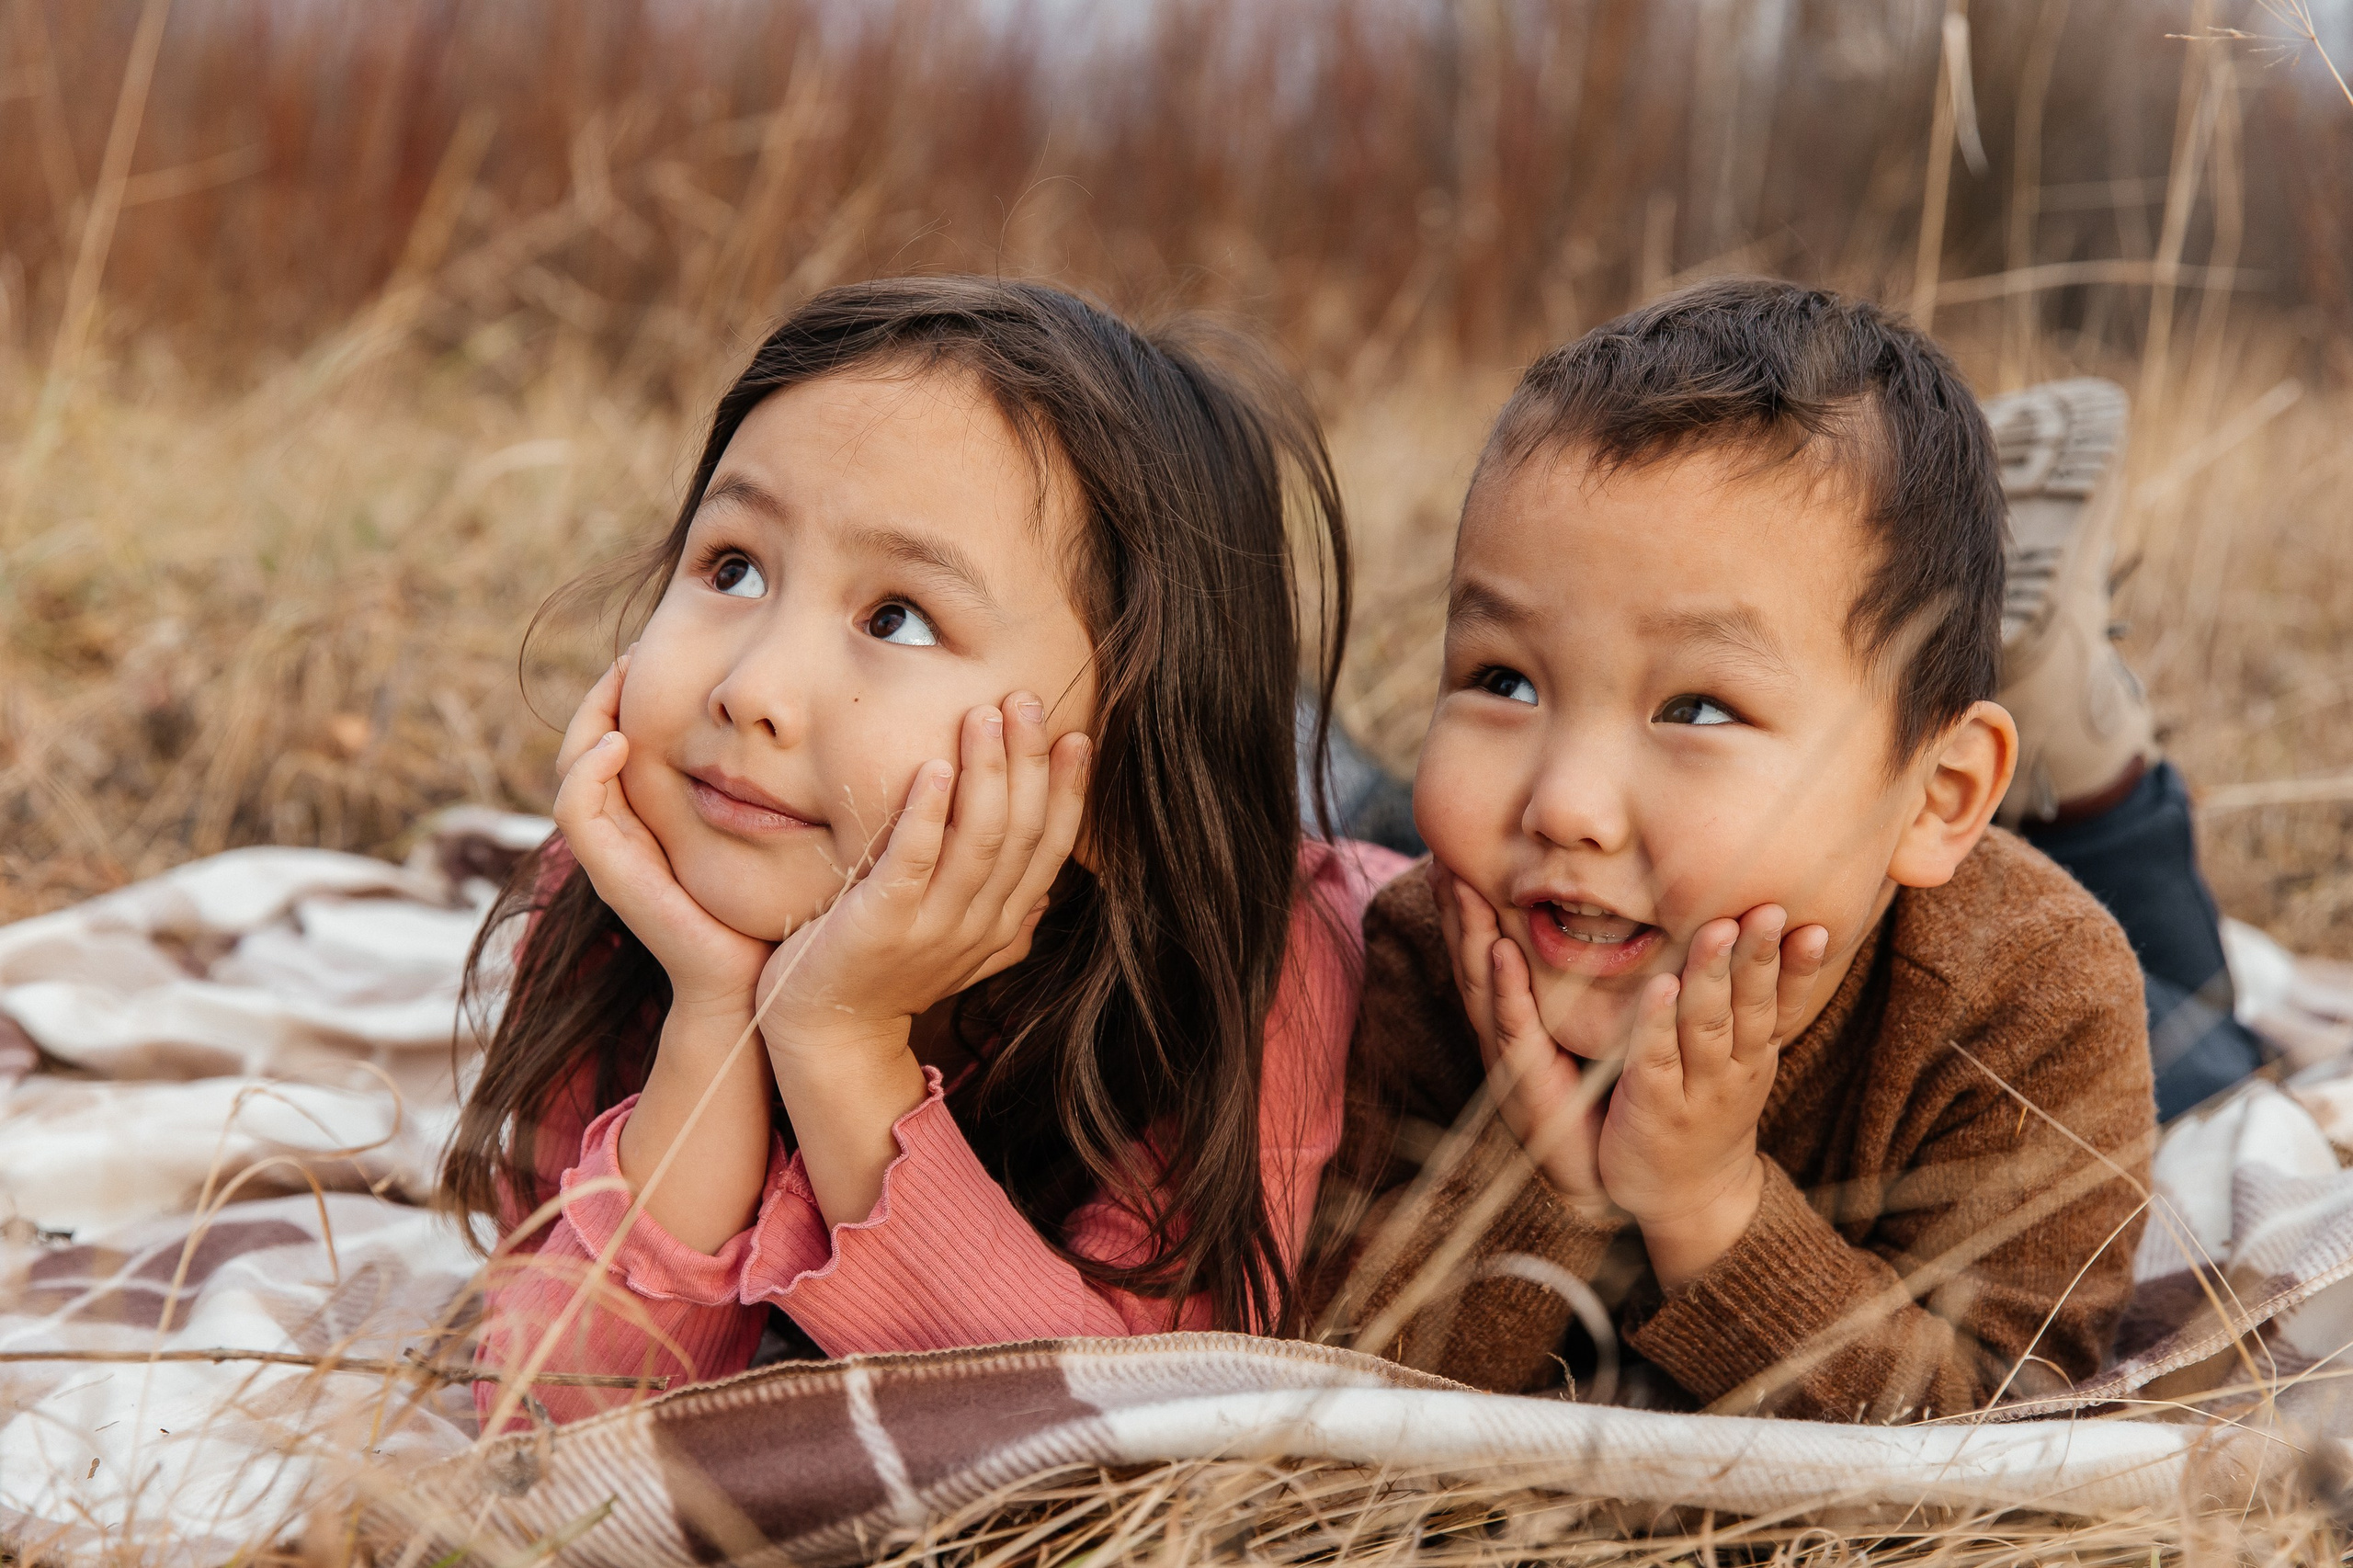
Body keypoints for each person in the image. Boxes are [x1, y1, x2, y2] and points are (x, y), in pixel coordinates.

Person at [441, 278, 1408, 1427]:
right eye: (733, 566)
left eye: (895, 615)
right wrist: (715, 1011)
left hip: (1298, 847)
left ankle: (1293, 743)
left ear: (1119, 776)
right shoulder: (614, 897)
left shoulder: (1265, 961)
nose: (751, 689)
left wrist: (840, 1042)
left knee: (1351, 797)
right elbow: (559, 1414)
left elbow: (1123, 1435)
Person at [1314, 278, 2155, 1421]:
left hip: (2001, 902)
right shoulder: (1431, 951)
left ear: (1935, 796)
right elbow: (1332, 1393)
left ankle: (2089, 740)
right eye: (1503, 679)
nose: (1565, 806)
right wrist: (1536, 1182)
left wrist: (1710, 1205)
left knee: (2200, 1011)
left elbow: (1994, 1442)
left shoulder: (2035, 999)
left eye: (1697, 708)